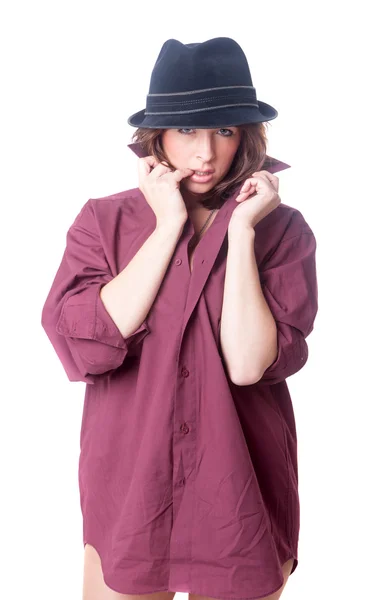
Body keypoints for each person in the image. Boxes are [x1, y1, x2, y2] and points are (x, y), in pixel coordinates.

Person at [41, 37, 318, 600]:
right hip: (132, 483)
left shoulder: (281, 231)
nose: (206, 154)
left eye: (223, 130)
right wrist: (166, 227)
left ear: (245, 135)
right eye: (187, 130)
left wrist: (241, 232)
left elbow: (247, 365)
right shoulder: (104, 222)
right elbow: (91, 344)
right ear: (157, 135)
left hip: (239, 483)